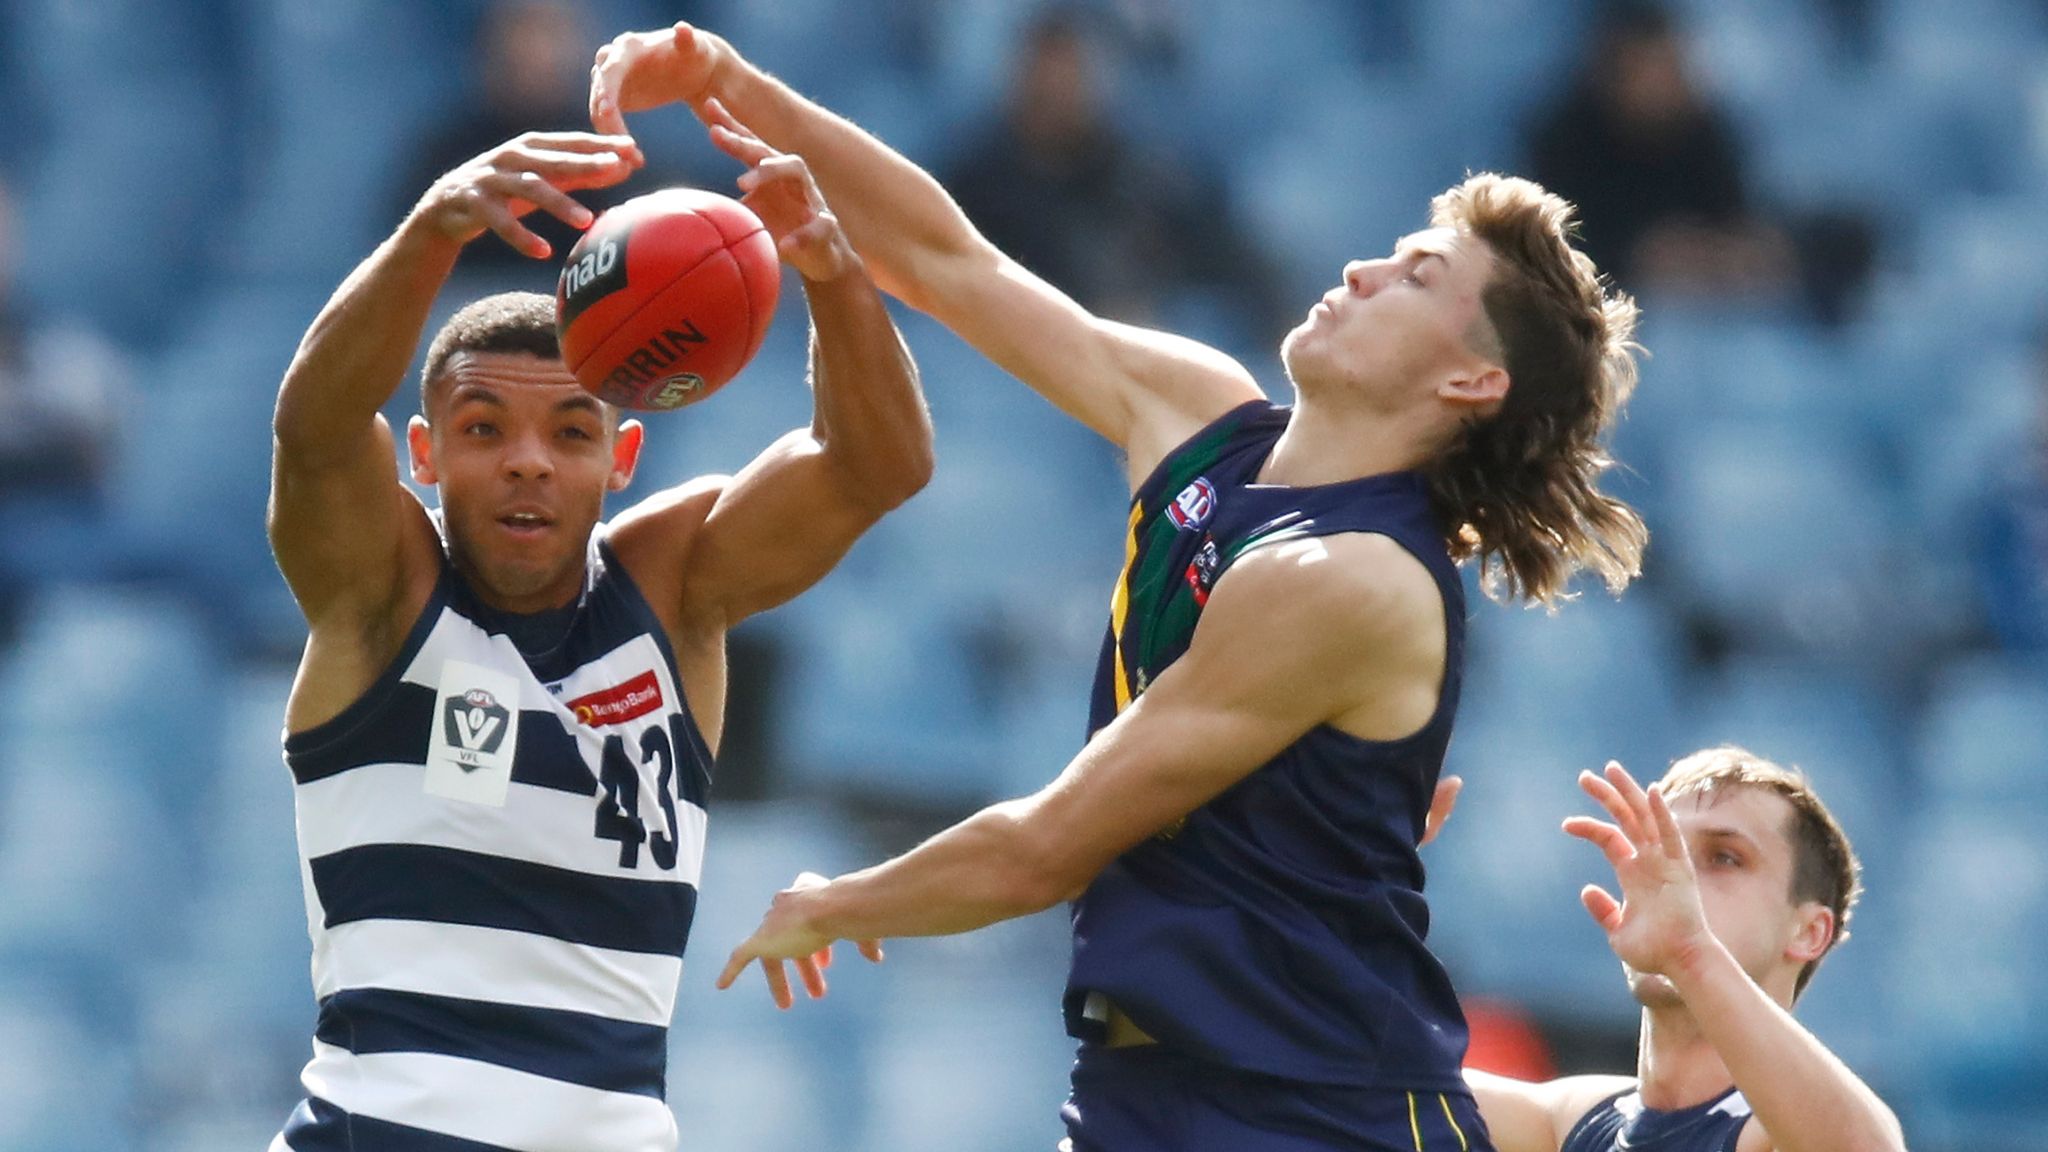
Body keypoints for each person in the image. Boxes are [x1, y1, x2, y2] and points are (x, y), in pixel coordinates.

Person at [591, 21, 1646, 1152]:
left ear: (1469, 378)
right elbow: (951, 263)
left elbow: (1044, 848)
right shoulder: (1202, 416)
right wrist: (731, 83)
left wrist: (835, 904)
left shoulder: (1353, 580)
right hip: (1145, 1092)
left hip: (1316, 1112)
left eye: (1414, 276)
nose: (1359, 268)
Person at [264, 111, 933, 1150]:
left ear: (621, 459)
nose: (529, 460)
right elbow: (313, 431)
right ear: (427, 457)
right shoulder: (381, 595)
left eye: (569, 432)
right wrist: (430, 234)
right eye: (485, 430)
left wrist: (831, 272)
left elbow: (876, 466)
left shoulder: (674, 586)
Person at [1465, 751, 1905, 1152]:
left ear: (1809, 932)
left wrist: (1692, 953)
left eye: (1725, 857)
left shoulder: (1769, 1137)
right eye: (1660, 849)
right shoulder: (1575, 1123)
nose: (1675, 880)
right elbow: (1405, 1090)